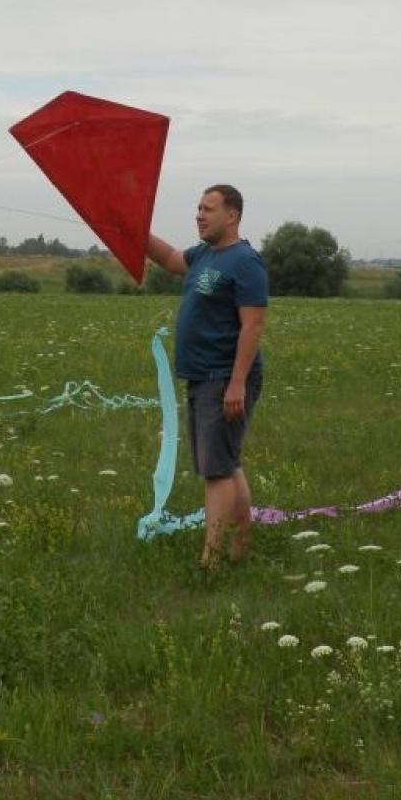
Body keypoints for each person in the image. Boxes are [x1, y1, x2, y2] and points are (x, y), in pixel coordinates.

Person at [147, 184, 268, 569]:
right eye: (198, 207)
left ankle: (211, 561)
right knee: (226, 463)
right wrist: (131, 230)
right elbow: (168, 257)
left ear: (231, 216)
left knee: (216, 471)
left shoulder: (244, 261)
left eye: (208, 209)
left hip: (224, 376)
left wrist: (236, 383)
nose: (199, 215)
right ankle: (241, 547)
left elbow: (252, 326)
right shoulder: (204, 254)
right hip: (203, 376)